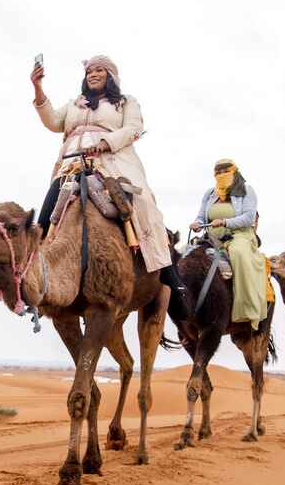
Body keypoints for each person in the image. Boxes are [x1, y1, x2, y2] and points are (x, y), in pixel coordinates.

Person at [30, 55, 187, 318]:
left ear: (110, 75)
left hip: (114, 161)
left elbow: (135, 128)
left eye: (99, 70)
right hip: (73, 163)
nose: (92, 74)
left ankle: (167, 270)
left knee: (145, 204)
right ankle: (36, 267)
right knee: (46, 212)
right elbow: (52, 123)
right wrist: (37, 88)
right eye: (89, 70)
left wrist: (105, 143)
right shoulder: (74, 104)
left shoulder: (126, 103)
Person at [189, 159, 266, 325]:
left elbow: (248, 217)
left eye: (226, 171)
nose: (222, 175)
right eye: (218, 172)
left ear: (234, 171)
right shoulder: (210, 194)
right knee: (185, 254)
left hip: (239, 236)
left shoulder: (246, 190)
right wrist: (197, 223)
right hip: (211, 238)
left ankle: (247, 309)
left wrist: (225, 222)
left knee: (239, 254)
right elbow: (202, 215)